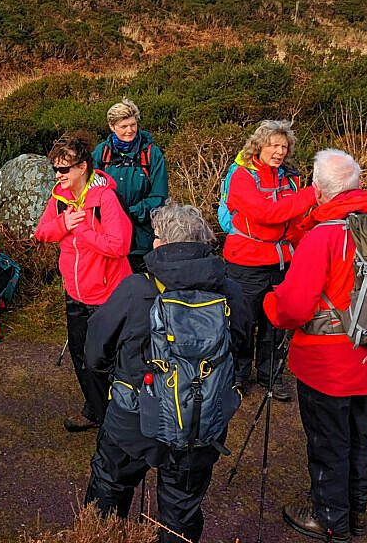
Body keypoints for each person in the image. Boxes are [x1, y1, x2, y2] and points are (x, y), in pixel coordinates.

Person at [85, 203, 249, 543]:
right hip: (199, 420)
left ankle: (100, 536)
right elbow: (242, 348)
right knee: (181, 509)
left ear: (163, 244)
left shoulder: (135, 289)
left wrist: (112, 372)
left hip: (133, 419)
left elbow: (94, 350)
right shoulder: (230, 291)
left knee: (110, 485)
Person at [263, 149, 367, 542]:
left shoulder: (324, 236)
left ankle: (330, 519)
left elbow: (294, 307)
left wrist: (270, 303)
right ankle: (357, 508)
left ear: (318, 189)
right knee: (358, 436)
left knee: (327, 440)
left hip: (326, 361)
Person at [34, 133, 132, 432]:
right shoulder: (60, 199)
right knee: (81, 358)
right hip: (75, 292)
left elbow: (120, 246)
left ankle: (115, 419)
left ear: (82, 168)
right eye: (55, 169)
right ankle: (95, 409)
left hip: (106, 294)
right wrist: (65, 223)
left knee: (104, 360)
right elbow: (42, 233)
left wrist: (81, 231)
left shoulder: (105, 199)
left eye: (64, 169)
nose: (59, 175)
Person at [223, 119, 316, 401]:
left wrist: (305, 252)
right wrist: (312, 194)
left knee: (274, 322)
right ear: (259, 145)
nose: (279, 151)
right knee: (242, 322)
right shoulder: (242, 176)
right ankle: (237, 377)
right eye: (274, 145)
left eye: (284, 147)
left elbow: (297, 222)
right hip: (246, 262)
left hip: (281, 262)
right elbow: (267, 213)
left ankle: (270, 376)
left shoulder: (289, 177)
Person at [93, 98, 169, 274]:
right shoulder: (101, 153)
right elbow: (90, 193)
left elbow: (158, 198)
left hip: (142, 241)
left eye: (133, 124)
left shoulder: (152, 154)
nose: (130, 130)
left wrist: (127, 213)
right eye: (123, 126)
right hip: (108, 239)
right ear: (112, 127)